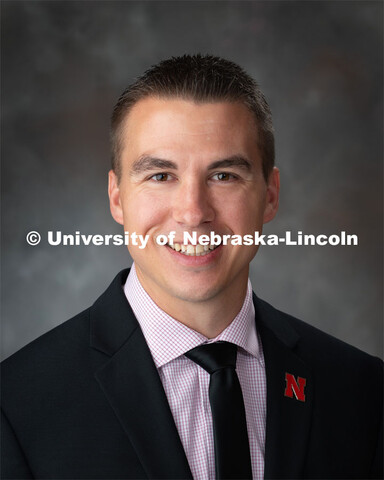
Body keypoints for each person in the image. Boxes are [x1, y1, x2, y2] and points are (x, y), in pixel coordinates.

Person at [1, 54, 382, 480]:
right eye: (161, 176)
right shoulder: (16, 406)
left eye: (224, 176)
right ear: (117, 197)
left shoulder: (364, 391)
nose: (193, 212)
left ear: (271, 195)